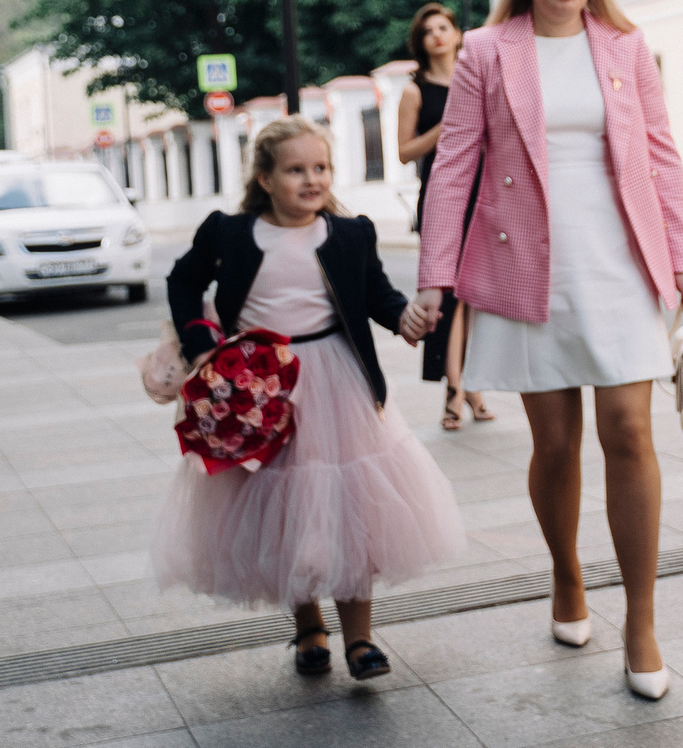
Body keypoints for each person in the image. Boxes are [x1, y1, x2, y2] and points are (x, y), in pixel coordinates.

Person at [415, 0, 683, 700]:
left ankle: (641, 621)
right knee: (555, 443)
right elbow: (454, 166)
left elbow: (660, 153)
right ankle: (568, 574)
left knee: (628, 428)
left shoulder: (624, 46)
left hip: (617, 259)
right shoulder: (485, 51)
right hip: (525, 262)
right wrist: (433, 278)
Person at [150, 117, 465, 679]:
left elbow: (377, 294)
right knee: (285, 510)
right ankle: (308, 629)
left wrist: (405, 320)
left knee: (352, 509)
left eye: (320, 168)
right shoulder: (230, 231)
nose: (311, 179)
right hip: (258, 384)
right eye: (296, 170)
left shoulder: (350, 233)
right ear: (266, 178)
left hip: (334, 379)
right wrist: (201, 346)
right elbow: (182, 281)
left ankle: (361, 640)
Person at [395, 1, 494, 431]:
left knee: (474, 298)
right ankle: (454, 392)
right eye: (428, 30)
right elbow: (403, 152)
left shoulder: (476, 78)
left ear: (457, 34)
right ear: (421, 42)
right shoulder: (415, 89)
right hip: (441, 197)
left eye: (444, 27)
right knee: (449, 299)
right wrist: (448, 125)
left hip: (484, 194)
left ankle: (470, 385)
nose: (437, 35)